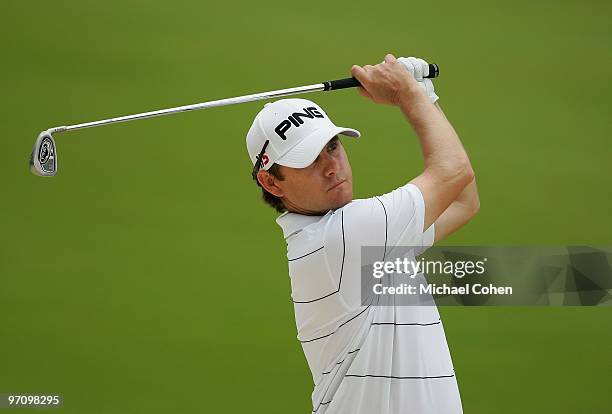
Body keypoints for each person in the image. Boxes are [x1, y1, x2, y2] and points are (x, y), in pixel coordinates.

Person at [245, 54, 479, 414]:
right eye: (309, 159)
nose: (331, 166)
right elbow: (454, 172)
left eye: (333, 146)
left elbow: (463, 200)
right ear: (271, 182)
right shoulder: (340, 237)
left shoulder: (356, 238)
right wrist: (408, 95)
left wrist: (423, 95)